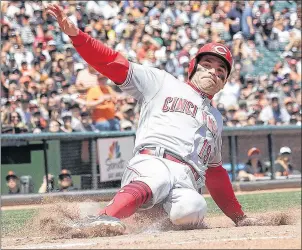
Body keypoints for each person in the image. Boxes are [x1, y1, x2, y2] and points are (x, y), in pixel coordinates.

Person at [47, 3, 257, 235]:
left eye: (221, 71)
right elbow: (113, 63)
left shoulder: (216, 119)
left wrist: (240, 218)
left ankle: (149, 229)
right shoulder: (162, 82)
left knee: (193, 207)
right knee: (156, 179)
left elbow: (216, 173)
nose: (213, 72)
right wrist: (78, 37)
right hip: (153, 161)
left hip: (186, 180)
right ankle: (103, 217)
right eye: (207, 65)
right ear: (193, 67)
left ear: (225, 82)